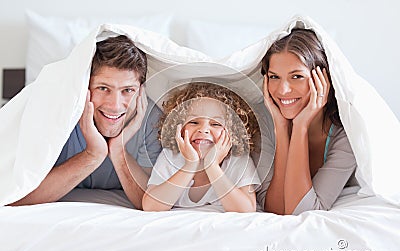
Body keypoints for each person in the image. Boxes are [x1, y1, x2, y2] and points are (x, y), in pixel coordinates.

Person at [10, 35, 162, 209]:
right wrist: (92, 155)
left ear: (141, 92)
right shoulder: (57, 114)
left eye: (128, 90)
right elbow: (17, 196)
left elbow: (149, 203)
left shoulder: (152, 122)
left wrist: (119, 152)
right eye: (103, 88)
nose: (115, 105)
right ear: (84, 87)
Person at [259, 29, 358, 215]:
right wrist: (281, 128)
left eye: (297, 76)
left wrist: (300, 127)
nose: (283, 90)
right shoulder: (264, 122)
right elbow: (277, 209)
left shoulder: (345, 134)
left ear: (323, 81)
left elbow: (302, 211)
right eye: (274, 77)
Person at [142, 82, 261, 212]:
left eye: (215, 124)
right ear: (179, 127)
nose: (203, 130)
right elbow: (151, 206)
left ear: (233, 131)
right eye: (194, 122)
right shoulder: (171, 156)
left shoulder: (237, 160)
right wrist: (190, 165)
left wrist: (212, 167)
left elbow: (247, 210)